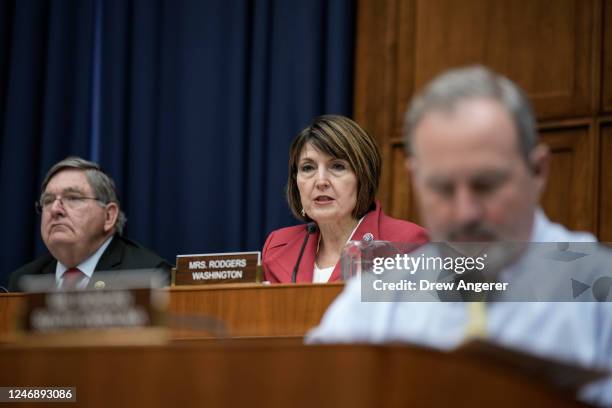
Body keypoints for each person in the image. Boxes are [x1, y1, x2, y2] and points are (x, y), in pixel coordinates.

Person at [307, 67, 611, 405]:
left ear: (538, 171)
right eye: (442, 188)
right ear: (415, 178)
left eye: (486, 185)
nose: (466, 212)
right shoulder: (374, 305)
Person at [262, 115, 428, 283]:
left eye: (337, 166)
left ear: (363, 177)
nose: (321, 181)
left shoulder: (408, 244)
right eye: (308, 168)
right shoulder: (277, 246)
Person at [8, 157, 171, 291]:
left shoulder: (149, 275)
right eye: (48, 200)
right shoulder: (23, 282)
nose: (55, 209)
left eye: (73, 198)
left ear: (109, 216)